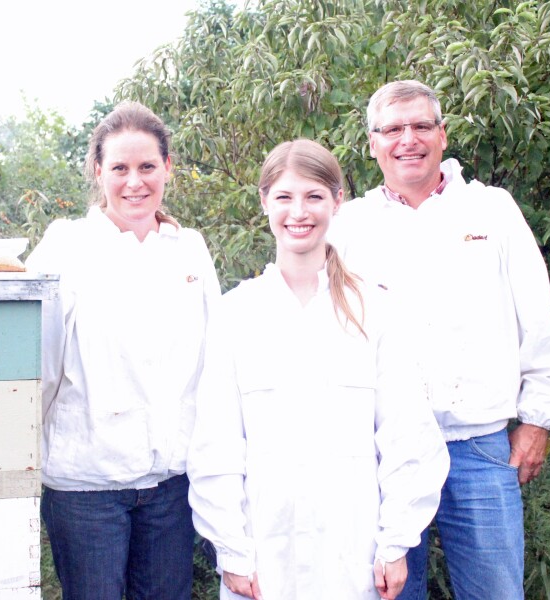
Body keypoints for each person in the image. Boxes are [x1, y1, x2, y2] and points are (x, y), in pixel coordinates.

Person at [328, 80, 550, 600]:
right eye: (393, 129)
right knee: (388, 594)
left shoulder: (493, 210)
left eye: (422, 126)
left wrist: (537, 421)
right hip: (382, 456)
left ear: (442, 135)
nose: (408, 140)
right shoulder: (349, 226)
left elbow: (536, 320)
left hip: (480, 448)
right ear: (372, 143)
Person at [187, 139, 450, 600]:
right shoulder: (236, 315)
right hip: (263, 563)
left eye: (314, 197)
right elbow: (217, 446)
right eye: (285, 197)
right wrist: (231, 550)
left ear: (337, 202)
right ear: (265, 201)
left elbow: (406, 434)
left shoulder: (374, 310)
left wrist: (394, 544)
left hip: (352, 559)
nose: (299, 212)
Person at [25, 101, 221, 600]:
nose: (135, 182)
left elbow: (213, 361)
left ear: (167, 168)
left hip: (170, 483)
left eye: (147, 167)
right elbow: (40, 367)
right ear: (97, 171)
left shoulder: (190, 249)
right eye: (119, 168)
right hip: (89, 484)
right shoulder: (64, 247)